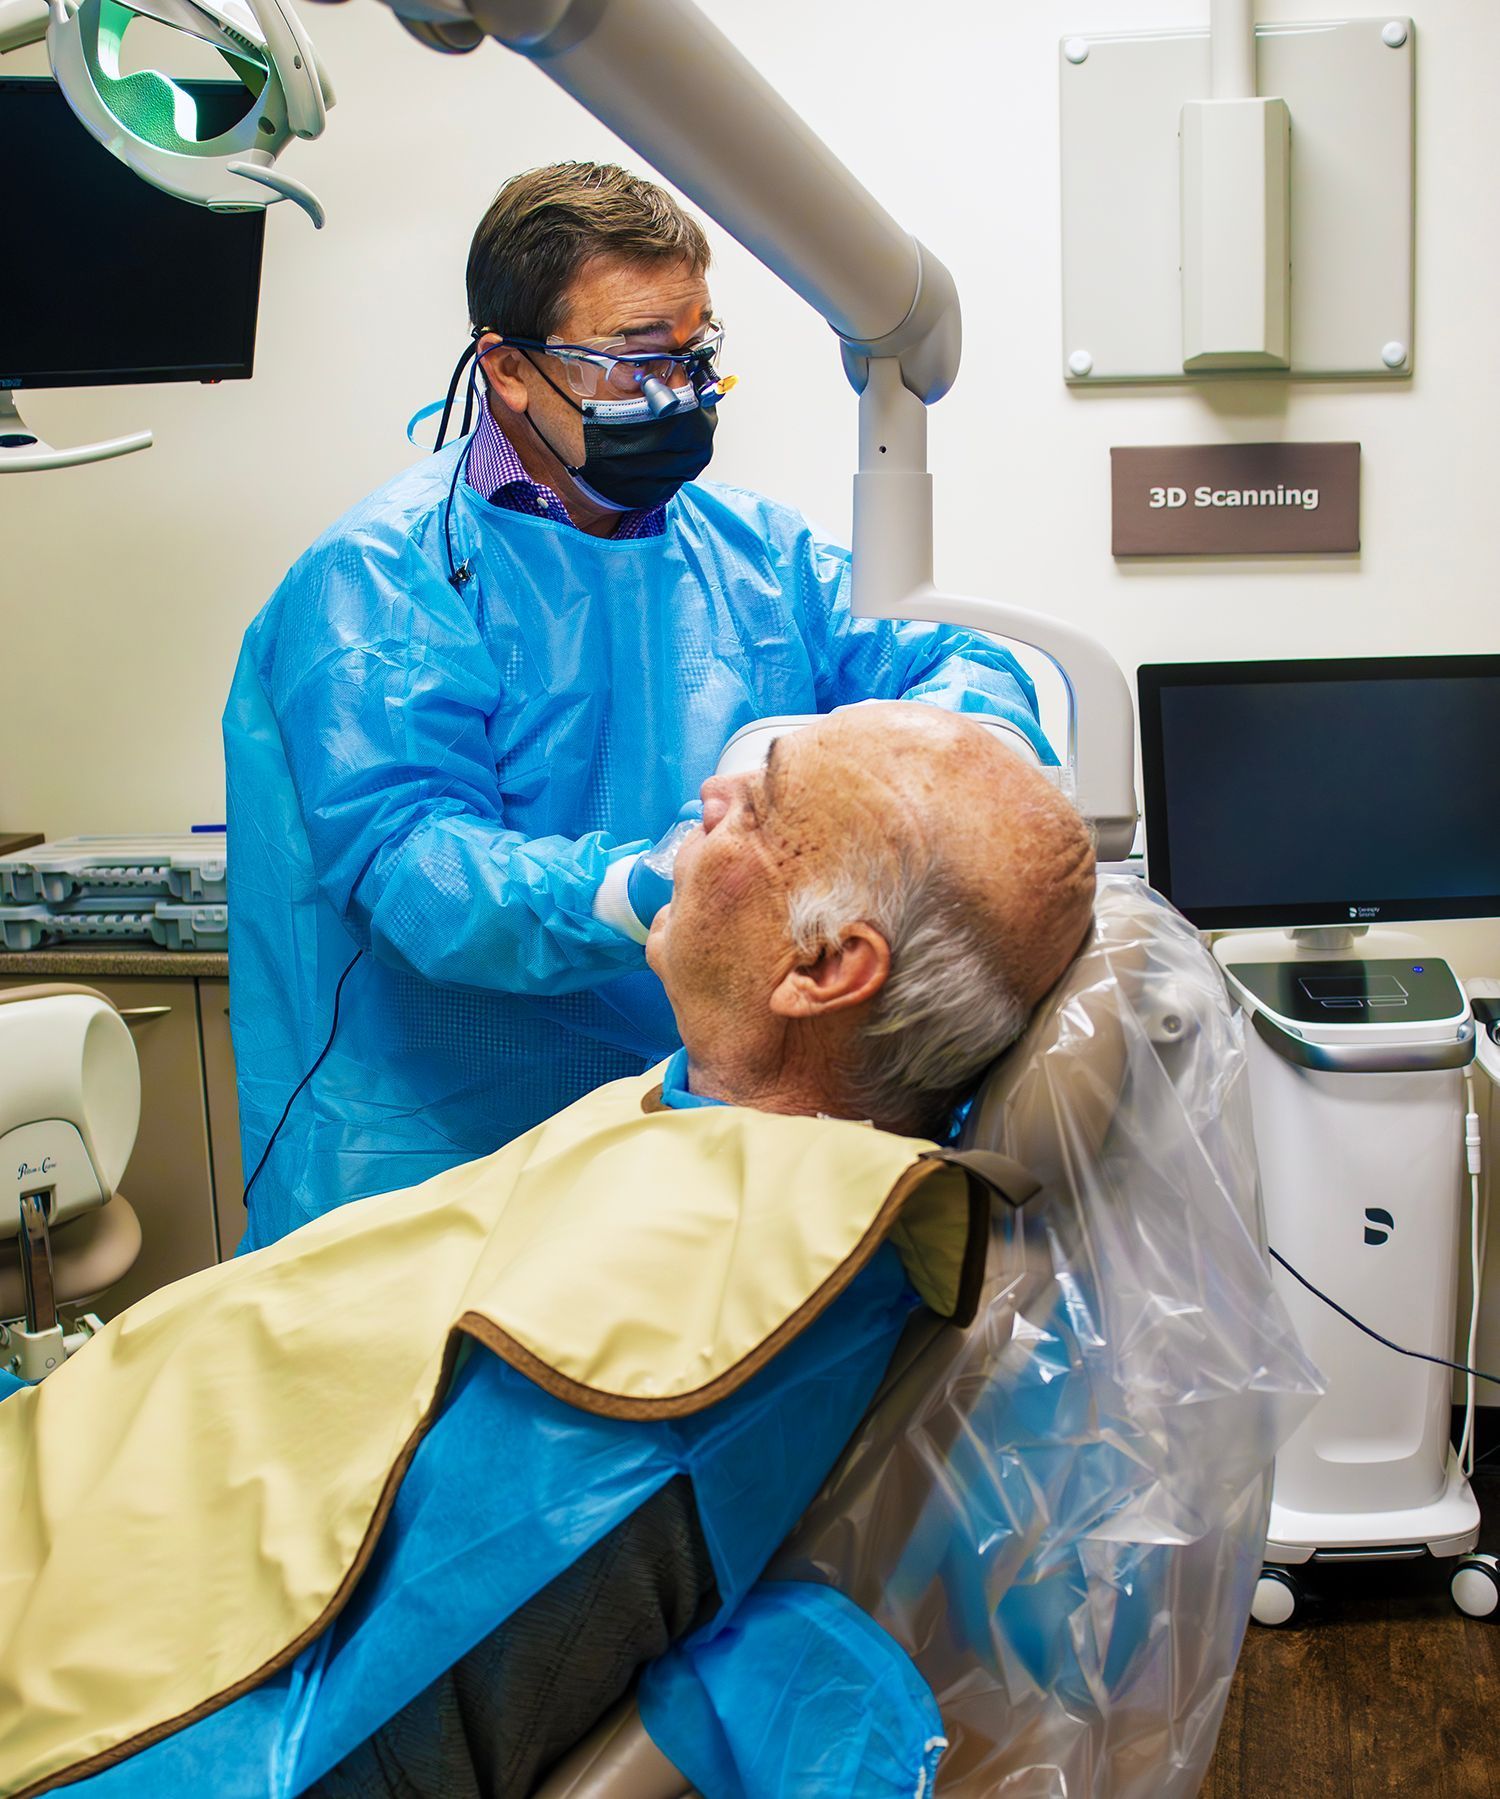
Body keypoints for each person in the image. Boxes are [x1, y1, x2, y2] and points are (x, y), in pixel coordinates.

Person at [2, 709, 1095, 1799]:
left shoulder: (708, 1296)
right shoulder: (706, 1129)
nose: (706, 801)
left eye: (755, 808)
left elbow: (348, 1733)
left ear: (820, 966)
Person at [224, 160, 1056, 1252]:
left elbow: (952, 657)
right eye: (634, 360)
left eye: (696, 353)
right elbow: (419, 876)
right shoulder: (383, 578)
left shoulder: (754, 553)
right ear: (509, 371)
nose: (679, 392)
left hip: (705, 1140)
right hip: (442, 1166)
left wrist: (971, 768)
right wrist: (669, 883)